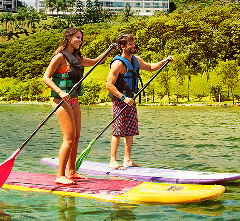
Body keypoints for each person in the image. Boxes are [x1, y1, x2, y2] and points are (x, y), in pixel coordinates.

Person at [43, 27, 115, 185]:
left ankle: (71, 171)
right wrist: (60, 92)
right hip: (61, 100)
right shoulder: (60, 57)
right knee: (68, 139)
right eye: (77, 37)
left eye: (81, 38)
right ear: (68, 37)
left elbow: (97, 62)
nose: (79, 40)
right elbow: (46, 78)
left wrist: (109, 50)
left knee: (76, 137)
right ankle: (60, 175)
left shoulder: (77, 57)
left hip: (74, 99)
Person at [105, 33, 171, 169]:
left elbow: (151, 67)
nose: (133, 46)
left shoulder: (136, 60)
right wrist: (123, 98)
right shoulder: (117, 64)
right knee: (118, 130)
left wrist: (164, 61)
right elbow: (109, 85)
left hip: (131, 100)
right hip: (120, 100)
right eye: (130, 44)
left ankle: (127, 160)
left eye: (133, 43)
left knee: (130, 129)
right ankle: (113, 160)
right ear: (122, 46)